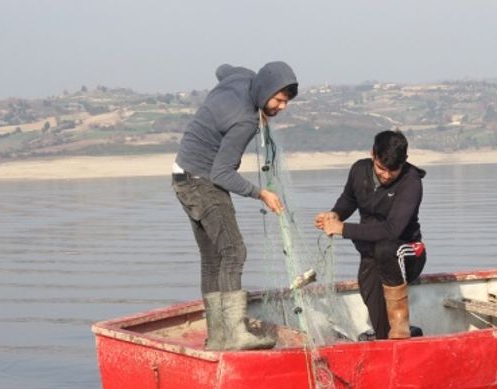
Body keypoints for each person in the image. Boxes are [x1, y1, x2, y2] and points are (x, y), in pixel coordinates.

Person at [173, 61, 298, 351]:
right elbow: (222, 173)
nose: (282, 108)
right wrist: (260, 194)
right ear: (265, 90)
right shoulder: (245, 121)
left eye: (286, 102)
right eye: (278, 100)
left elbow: (221, 69)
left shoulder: (242, 77)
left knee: (213, 259)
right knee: (234, 251)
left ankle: (218, 337)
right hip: (203, 181)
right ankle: (236, 333)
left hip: (180, 175)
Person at [314, 130, 426, 340]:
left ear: (404, 162)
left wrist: (343, 229)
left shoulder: (411, 181)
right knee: (369, 290)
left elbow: (392, 230)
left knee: (386, 247)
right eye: (381, 168)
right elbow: (348, 199)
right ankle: (387, 341)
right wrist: (335, 214)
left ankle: (402, 328)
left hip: (406, 252)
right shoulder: (359, 170)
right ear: (372, 154)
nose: (386, 175)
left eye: (393, 170)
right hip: (371, 252)